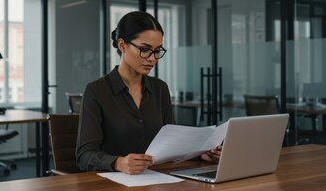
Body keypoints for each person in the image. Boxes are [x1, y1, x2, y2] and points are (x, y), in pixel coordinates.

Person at [76, 11, 222, 175]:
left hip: (157, 181)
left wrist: (200, 155)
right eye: (145, 49)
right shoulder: (97, 91)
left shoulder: (160, 89)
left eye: (157, 50)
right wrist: (118, 163)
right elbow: (84, 156)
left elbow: (172, 145)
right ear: (122, 45)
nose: (152, 58)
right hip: (113, 185)